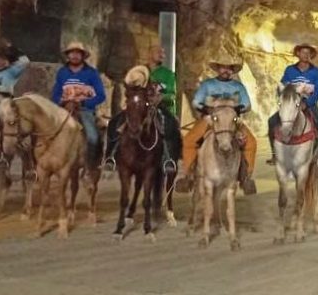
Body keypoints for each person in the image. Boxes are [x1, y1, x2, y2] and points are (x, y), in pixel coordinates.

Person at [181, 54, 258, 193]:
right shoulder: (207, 84)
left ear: (233, 70)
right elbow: (196, 102)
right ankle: (188, 176)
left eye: (229, 68)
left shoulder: (238, 86)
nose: (226, 70)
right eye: (223, 67)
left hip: (232, 120)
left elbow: (247, 105)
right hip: (210, 119)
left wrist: (236, 109)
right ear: (218, 69)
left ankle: (246, 177)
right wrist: (206, 108)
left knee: (251, 142)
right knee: (189, 141)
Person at [103, 46, 181, 174]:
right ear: (149, 53)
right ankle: (110, 156)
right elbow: (129, 88)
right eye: (158, 52)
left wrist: (160, 97)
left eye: (163, 53)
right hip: (139, 106)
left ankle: (168, 159)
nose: (161, 55)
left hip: (159, 106)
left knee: (170, 125)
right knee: (115, 122)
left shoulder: (168, 74)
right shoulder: (138, 72)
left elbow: (172, 94)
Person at [267, 44, 318, 168]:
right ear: (298, 54)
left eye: (308, 53)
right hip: (291, 104)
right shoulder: (290, 70)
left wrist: (306, 103)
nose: (305, 55)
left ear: (311, 55)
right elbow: (283, 86)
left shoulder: (316, 72)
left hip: (309, 104)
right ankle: (275, 153)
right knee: (272, 122)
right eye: (303, 52)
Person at [51, 41, 107, 168]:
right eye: (72, 53)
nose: (75, 56)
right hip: (64, 109)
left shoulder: (92, 73)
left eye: (78, 53)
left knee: (93, 136)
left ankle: (91, 166)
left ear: (82, 56)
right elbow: (55, 94)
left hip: (84, 110)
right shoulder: (62, 72)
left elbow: (101, 95)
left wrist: (83, 102)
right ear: (68, 55)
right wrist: (61, 101)